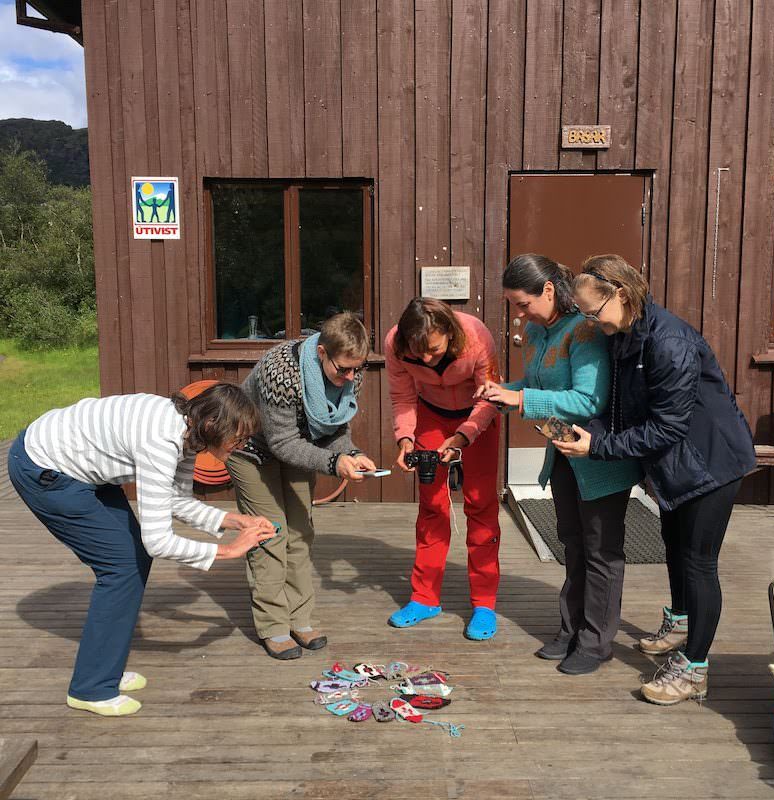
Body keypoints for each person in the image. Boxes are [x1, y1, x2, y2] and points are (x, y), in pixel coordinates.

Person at [555, 254, 756, 704]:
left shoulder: (669, 342)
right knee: (674, 548)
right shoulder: (624, 334)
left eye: (594, 311)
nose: (591, 321)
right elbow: (626, 408)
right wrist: (594, 431)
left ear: (620, 294)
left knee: (698, 561)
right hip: (672, 465)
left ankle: (695, 667)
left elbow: (667, 426)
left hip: (711, 464)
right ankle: (681, 622)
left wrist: (599, 447)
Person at [7, 384, 277, 717]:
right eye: (238, 438)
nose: (242, 445)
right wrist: (230, 552)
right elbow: (158, 540)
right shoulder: (161, 443)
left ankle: (106, 668)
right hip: (44, 469)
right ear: (212, 426)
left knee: (131, 561)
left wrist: (233, 520)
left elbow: (176, 500)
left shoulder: (189, 430)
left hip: (79, 467)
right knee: (120, 567)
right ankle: (91, 688)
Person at [478, 254, 642, 674]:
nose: (519, 313)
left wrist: (521, 400)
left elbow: (589, 400)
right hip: (564, 455)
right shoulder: (536, 330)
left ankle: (595, 642)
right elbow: (534, 388)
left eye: (521, 303)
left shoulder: (585, 330)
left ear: (548, 290)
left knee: (600, 552)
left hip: (600, 458)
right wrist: (502, 391)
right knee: (572, 543)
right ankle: (571, 630)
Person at [227, 312, 378, 660]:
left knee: (300, 531)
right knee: (270, 532)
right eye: (344, 370)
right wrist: (333, 463)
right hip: (250, 448)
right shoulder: (280, 371)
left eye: (358, 369)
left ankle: (301, 617)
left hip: (299, 447)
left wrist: (351, 454)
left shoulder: (351, 371)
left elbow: (336, 425)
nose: (351, 377)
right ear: (322, 353)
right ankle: (274, 625)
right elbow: (281, 443)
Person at [385, 297, 502, 640]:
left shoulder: (477, 336)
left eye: (433, 350)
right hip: (431, 416)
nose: (425, 359)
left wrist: (464, 437)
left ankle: (484, 603)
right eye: (417, 352)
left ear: (449, 333)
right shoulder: (396, 343)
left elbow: (489, 398)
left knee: (481, 507)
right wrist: (405, 439)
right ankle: (424, 598)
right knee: (433, 507)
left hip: (477, 419)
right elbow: (402, 397)